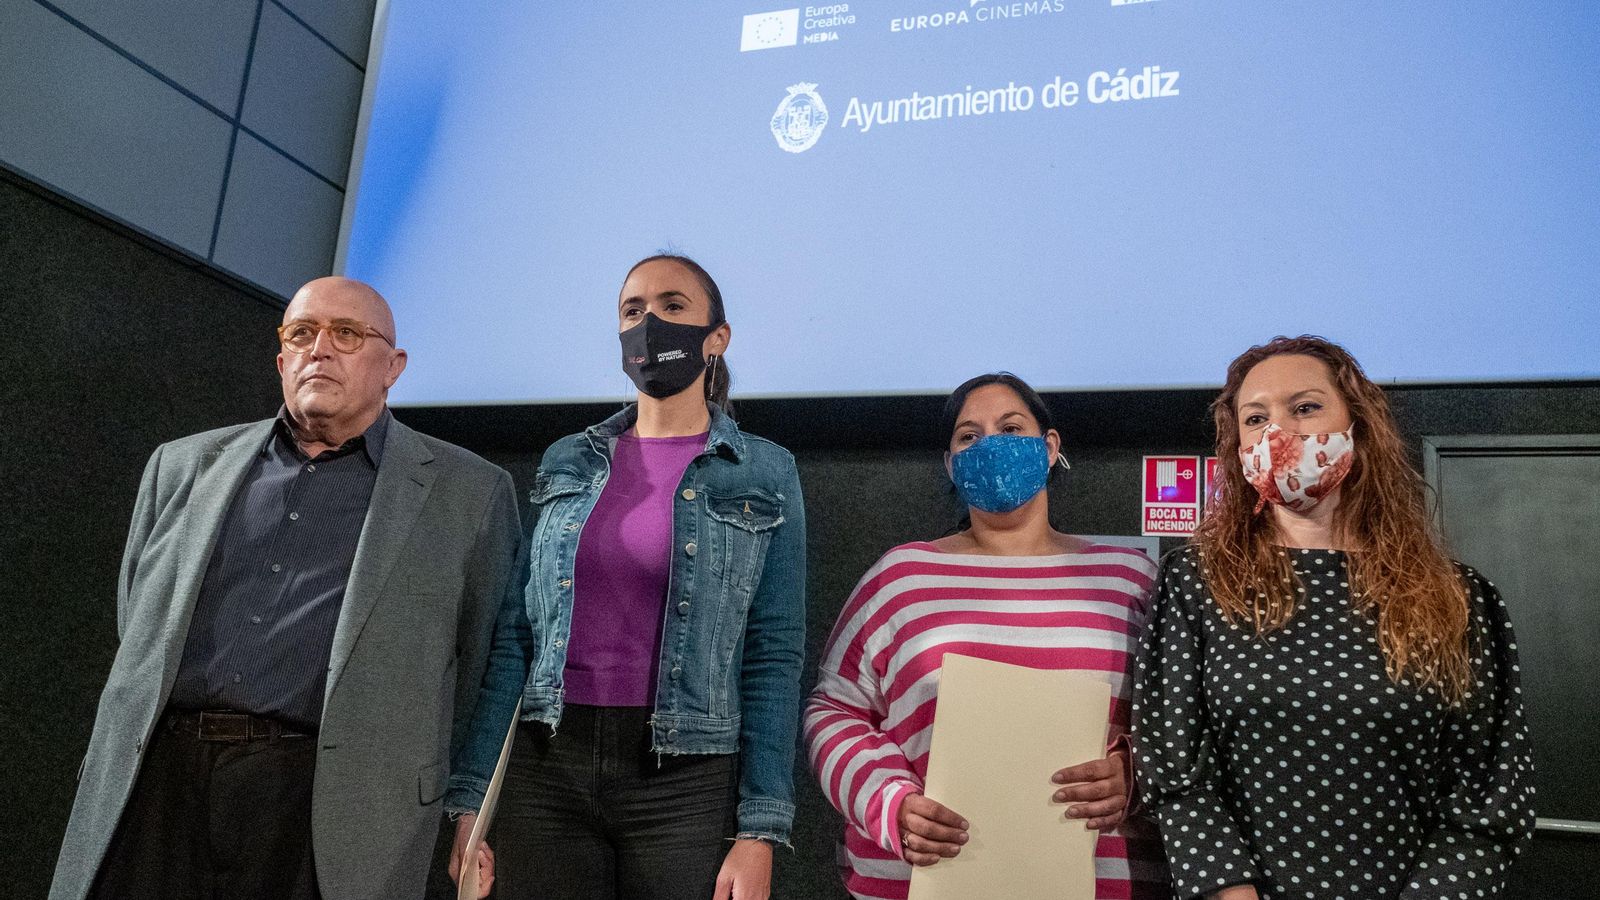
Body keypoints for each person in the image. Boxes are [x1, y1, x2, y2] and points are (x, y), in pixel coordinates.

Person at [48, 277, 526, 900]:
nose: (319, 349)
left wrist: (464, 802)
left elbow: (486, 663)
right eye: (302, 333)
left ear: (393, 367)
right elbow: (137, 616)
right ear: (282, 361)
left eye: (346, 334)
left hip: (328, 800)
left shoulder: (470, 492)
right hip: (156, 780)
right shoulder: (182, 465)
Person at [447, 254, 806, 900]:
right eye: (633, 310)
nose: (650, 323)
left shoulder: (763, 470)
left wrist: (760, 828)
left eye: (673, 306)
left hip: (686, 774)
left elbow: (773, 653)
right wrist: (473, 796)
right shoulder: (570, 460)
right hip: (547, 762)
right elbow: (518, 636)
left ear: (717, 338)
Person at [1132, 335, 1537, 899]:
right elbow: (1173, 768)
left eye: (1305, 407)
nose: (1278, 432)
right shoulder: (1196, 582)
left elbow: (1488, 793)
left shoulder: (1459, 596)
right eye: (1256, 418)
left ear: (1359, 426)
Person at [804, 372, 1171, 900]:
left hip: (1100, 878)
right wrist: (890, 803)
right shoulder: (901, 576)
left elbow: (1187, 721)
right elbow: (834, 710)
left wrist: (1133, 772)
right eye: (969, 436)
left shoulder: (1130, 578)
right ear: (951, 464)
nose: (990, 444)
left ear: (1050, 448)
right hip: (924, 881)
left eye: (1011, 428)